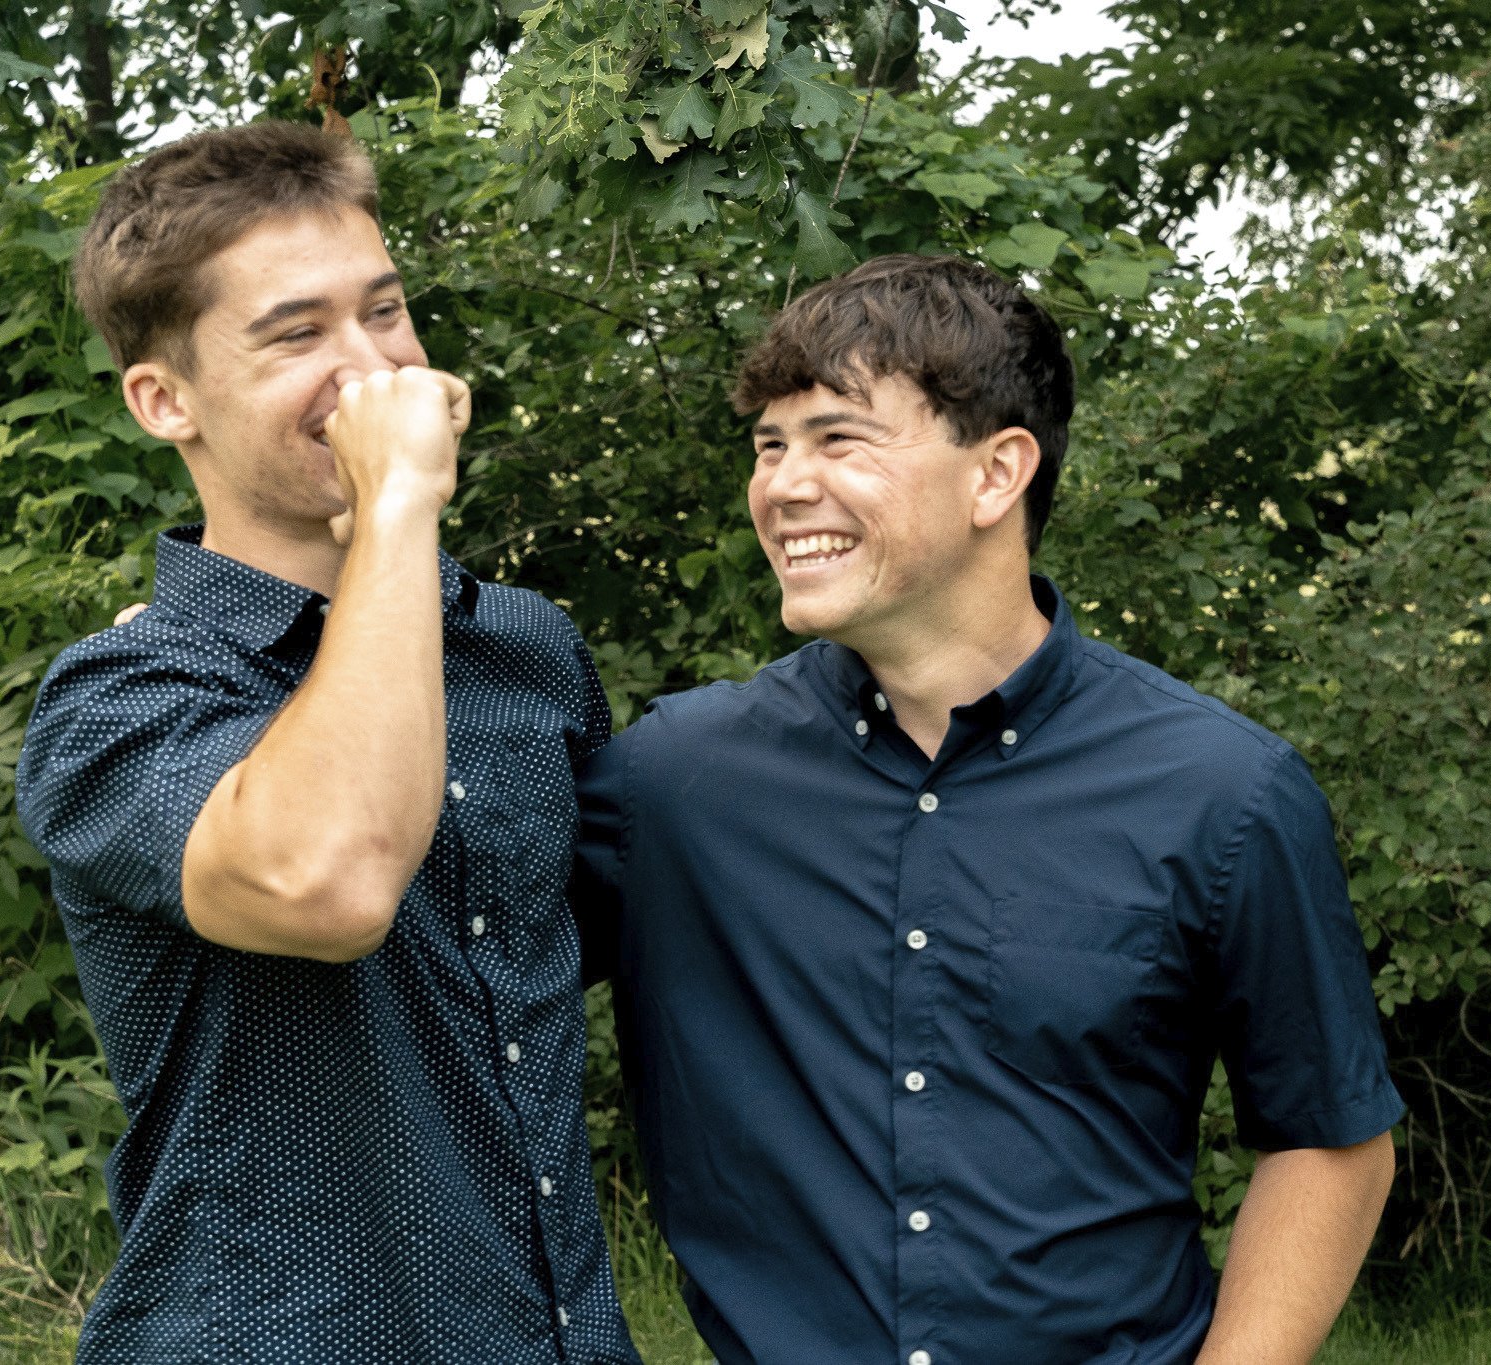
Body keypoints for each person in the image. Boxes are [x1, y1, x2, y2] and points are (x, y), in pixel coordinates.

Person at [574, 254, 1403, 1364]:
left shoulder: (1222, 793)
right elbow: (438, 982)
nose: (778, 484)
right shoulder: (673, 784)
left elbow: (1330, 1139)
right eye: (769, 446)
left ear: (996, 473)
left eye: (837, 439)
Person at [13, 121, 638, 1363]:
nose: (368, 369)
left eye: (386, 313)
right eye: (297, 333)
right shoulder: (117, 696)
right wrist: (398, 500)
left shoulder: (526, 650)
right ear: (162, 400)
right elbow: (329, 880)